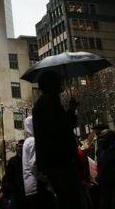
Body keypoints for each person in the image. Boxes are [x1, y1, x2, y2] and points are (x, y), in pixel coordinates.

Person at [32, 71, 82, 209]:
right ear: (51, 84)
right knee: (69, 200)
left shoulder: (45, 103)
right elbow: (61, 129)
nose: (62, 85)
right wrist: (71, 111)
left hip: (55, 161)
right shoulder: (49, 102)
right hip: (60, 161)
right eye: (59, 82)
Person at [3, 140, 25, 209]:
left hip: (27, 192)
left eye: (22, 146)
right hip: (16, 193)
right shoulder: (12, 161)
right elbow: (8, 177)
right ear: (17, 147)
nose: (21, 148)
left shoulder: (29, 160)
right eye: (19, 146)